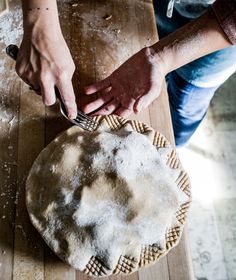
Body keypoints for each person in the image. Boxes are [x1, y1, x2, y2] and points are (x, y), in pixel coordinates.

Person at [16, 0, 236, 147]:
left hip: (217, 33)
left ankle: (175, 146)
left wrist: (162, 59)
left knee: (183, 110)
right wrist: (41, 25)